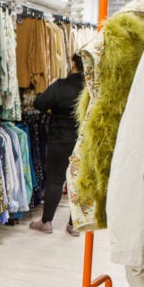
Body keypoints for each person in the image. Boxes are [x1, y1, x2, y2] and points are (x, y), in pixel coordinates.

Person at [29, 54, 85, 236]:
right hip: (82, 141)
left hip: (59, 139)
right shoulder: (90, 88)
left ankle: (46, 222)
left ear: (74, 64)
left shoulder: (61, 85)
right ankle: (74, 224)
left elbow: (39, 103)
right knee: (78, 183)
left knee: (55, 180)